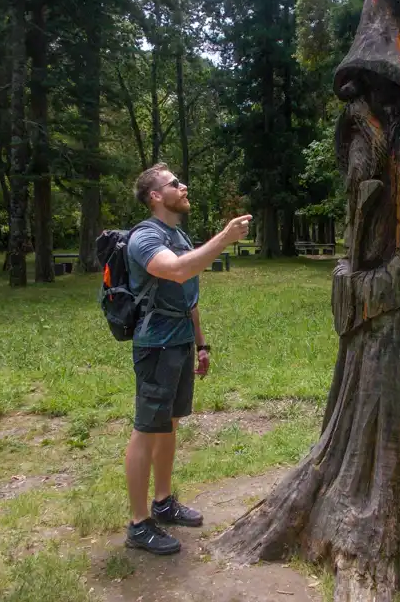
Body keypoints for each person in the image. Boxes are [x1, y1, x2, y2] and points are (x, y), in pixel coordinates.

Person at [123, 162, 251, 556]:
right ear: (155, 196)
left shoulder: (177, 232)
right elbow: (177, 271)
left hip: (178, 341)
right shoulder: (144, 237)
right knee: (147, 429)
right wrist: (225, 238)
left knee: (169, 425)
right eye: (174, 183)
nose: (183, 186)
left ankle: (163, 502)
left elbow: (187, 293)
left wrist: (201, 343)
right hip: (155, 345)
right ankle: (138, 524)